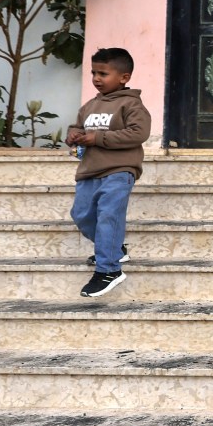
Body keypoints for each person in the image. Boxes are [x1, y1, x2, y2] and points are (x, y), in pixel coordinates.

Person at [68, 47, 150, 299]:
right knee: (81, 215)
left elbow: (138, 133)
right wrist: (73, 135)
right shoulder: (90, 105)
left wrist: (98, 138)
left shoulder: (131, 104)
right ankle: (113, 248)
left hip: (119, 170)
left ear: (124, 77)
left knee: (108, 215)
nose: (96, 78)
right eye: (94, 73)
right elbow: (77, 126)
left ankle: (109, 270)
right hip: (89, 171)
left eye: (103, 73)